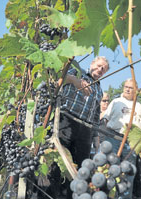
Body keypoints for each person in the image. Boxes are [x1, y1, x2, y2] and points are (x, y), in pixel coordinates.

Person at [49, 56, 109, 198]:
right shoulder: (77, 71)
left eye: (104, 69)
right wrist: (75, 81)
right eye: (99, 65)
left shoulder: (99, 90)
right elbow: (58, 79)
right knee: (59, 162)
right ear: (92, 63)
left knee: (79, 168)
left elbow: (95, 116)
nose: (100, 70)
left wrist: (96, 138)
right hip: (67, 121)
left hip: (85, 131)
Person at [102, 78, 141, 199]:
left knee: (128, 172)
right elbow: (106, 119)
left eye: (131, 88)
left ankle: (125, 197)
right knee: (110, 169)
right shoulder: (116, 102)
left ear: (136, 90)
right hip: (113, 137)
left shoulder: (139, 106)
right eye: (126, 87)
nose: (128, 90)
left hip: (130, 142)